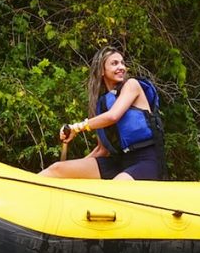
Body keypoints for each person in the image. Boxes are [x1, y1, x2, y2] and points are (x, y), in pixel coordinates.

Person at [39, 46, 165, 181]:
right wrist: (74, 169)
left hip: (146, 160)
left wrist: (77, 127)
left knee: (118, 183)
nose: (121, 67)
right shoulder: (102, 104)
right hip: (119, 161)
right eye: (114, 63)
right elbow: (101, 150)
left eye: (122, 63)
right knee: (57, 169)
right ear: (101, 71)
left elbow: (113, 116)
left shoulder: (132, 85)